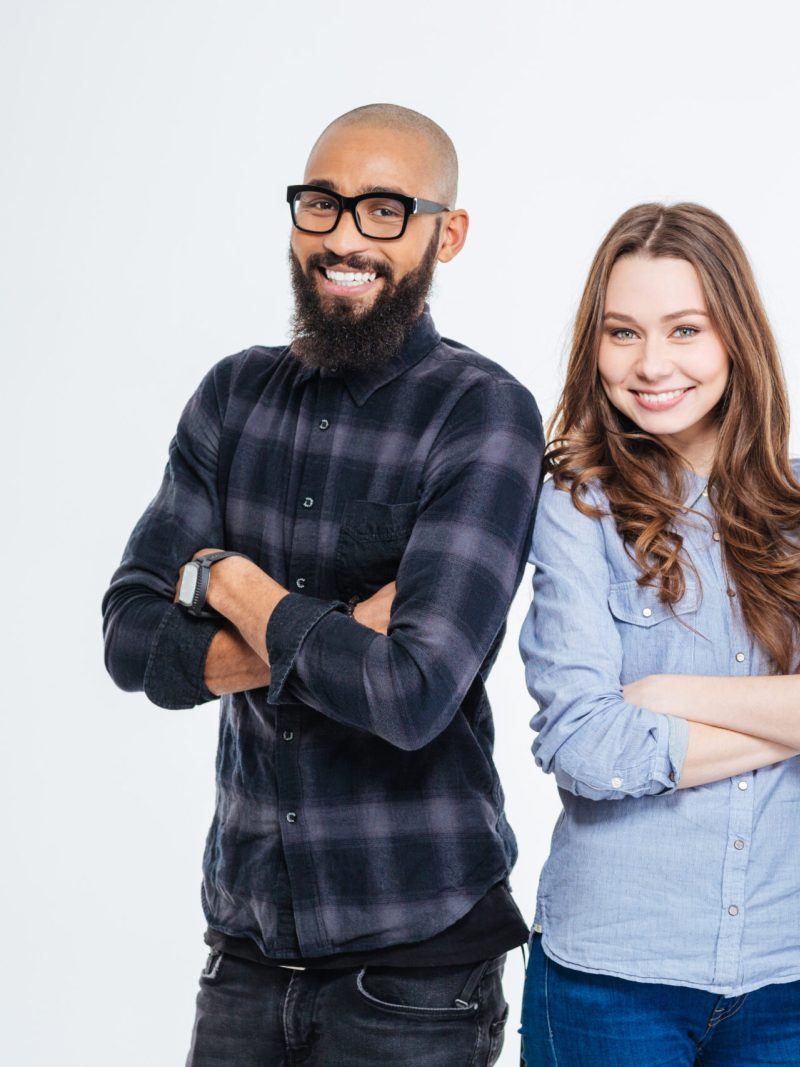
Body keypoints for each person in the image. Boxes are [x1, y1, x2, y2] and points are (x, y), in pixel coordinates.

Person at [101, 104, 543, 1067]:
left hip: (416, 968)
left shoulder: (483, 413)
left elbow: (412, 692)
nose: (344, 237)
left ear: (446, 233)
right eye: (322, 205)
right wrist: (344, 629)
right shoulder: (232, 395)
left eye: (385, 210)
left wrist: (232, 582)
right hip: (246, 952)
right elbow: (132, 640)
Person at [518, 202, 800, 1066]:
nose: (652, 363)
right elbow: (586, 744)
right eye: (622, 332)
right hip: (609, 973)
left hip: (785, 976)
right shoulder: (578, 506)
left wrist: (667, 696)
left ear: (734, 338)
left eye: (684, 329)